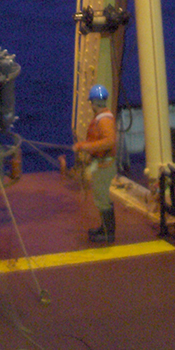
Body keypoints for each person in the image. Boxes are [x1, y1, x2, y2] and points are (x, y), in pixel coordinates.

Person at [73, 84, 117, 243]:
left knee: (102, 197)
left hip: (104, 165)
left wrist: (85, 146)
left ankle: (108, 233)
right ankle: (104, 228)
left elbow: (109, 142)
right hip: (101, 163)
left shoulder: (103, 120)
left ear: (93, 102)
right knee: (101, 197)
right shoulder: (103, 117)